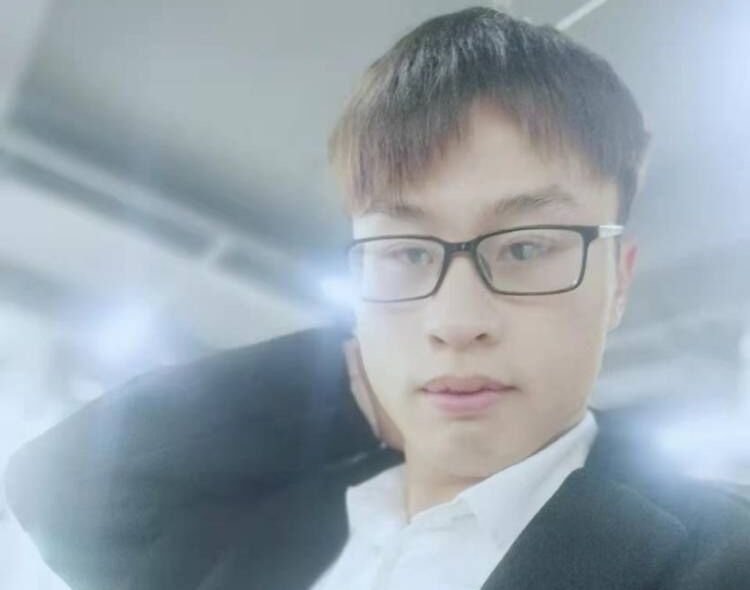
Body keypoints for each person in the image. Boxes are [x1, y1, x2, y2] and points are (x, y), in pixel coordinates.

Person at [4, 7, 750, 590]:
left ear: (619, 279)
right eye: (405, 253)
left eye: (525, 248)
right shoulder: (270, 523)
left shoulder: (719, 559)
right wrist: (353, 388)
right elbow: (57, 488)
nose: (455, 322)